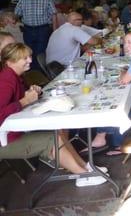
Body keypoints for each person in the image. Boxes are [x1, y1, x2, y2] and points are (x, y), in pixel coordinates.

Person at [0, 43, 108, 187]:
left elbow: (17, 99)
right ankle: (82, 176)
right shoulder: (6, 80)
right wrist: (24, 101)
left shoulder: (15, 76)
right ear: (9, 62)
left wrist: (32, 92)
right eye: (24, 58)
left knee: (59, 133)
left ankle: (87, 167)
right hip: (5, 141)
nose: (30, 60)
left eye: (30, 56)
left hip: (13, 132)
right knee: (53, 139)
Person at [14, 0, 57, 69]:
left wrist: (55, 32)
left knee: (40, 54)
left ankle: (40, 76)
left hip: (42, 30)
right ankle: (32, 75)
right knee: (28, 53)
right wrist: (10, 18)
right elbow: (17, 13)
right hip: (28, 30)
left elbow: (54, 14)